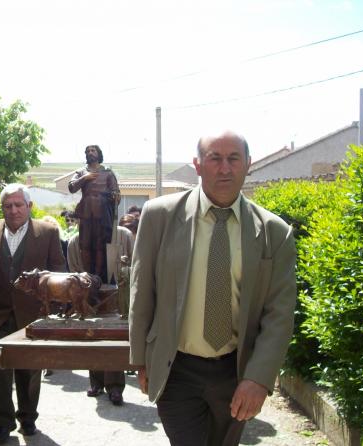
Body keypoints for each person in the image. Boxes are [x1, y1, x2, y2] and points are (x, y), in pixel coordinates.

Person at [129, 130, 296, 446]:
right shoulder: (159, 216)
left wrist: (258, 378)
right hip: (176, 369)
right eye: (214, 158)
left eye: (234, 159)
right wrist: (140, 358)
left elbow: (280, 314)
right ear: (197, 164)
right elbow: (142, 290)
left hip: (236, 372)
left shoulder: (275, 233)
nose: (224, 168)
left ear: (248, 163)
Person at [0, 184, 67, 442]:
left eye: (18, 205)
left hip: (33, 317)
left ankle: (28, 418)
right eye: (8, 206)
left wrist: (53, 313)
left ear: (29, 206)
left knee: (29, 372)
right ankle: (3, 422)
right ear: (2, 208)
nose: (13, 210)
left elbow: (58, 272)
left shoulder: (48, 232)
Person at [68, 224, 134, 406]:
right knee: (92, 339)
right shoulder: (75, 241)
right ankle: (96, 382)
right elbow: (73, 271)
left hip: (117, 298)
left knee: (114, 340)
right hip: (89, 299)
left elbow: (135, 264)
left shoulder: (124, 235)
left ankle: (115, 387)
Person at [68, 145, 120, 282]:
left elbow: (116, 193)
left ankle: (98, 276)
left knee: (100, 246)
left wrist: (114, 196)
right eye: (87, 151)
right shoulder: (81, 172)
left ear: (98, 154)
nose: (90, 153)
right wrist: (85, 178)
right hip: (86, 213)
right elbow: (72, 187)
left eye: (93, 150)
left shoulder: (108, 173)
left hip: (102, 214)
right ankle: (88, 276)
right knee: (85, 245)